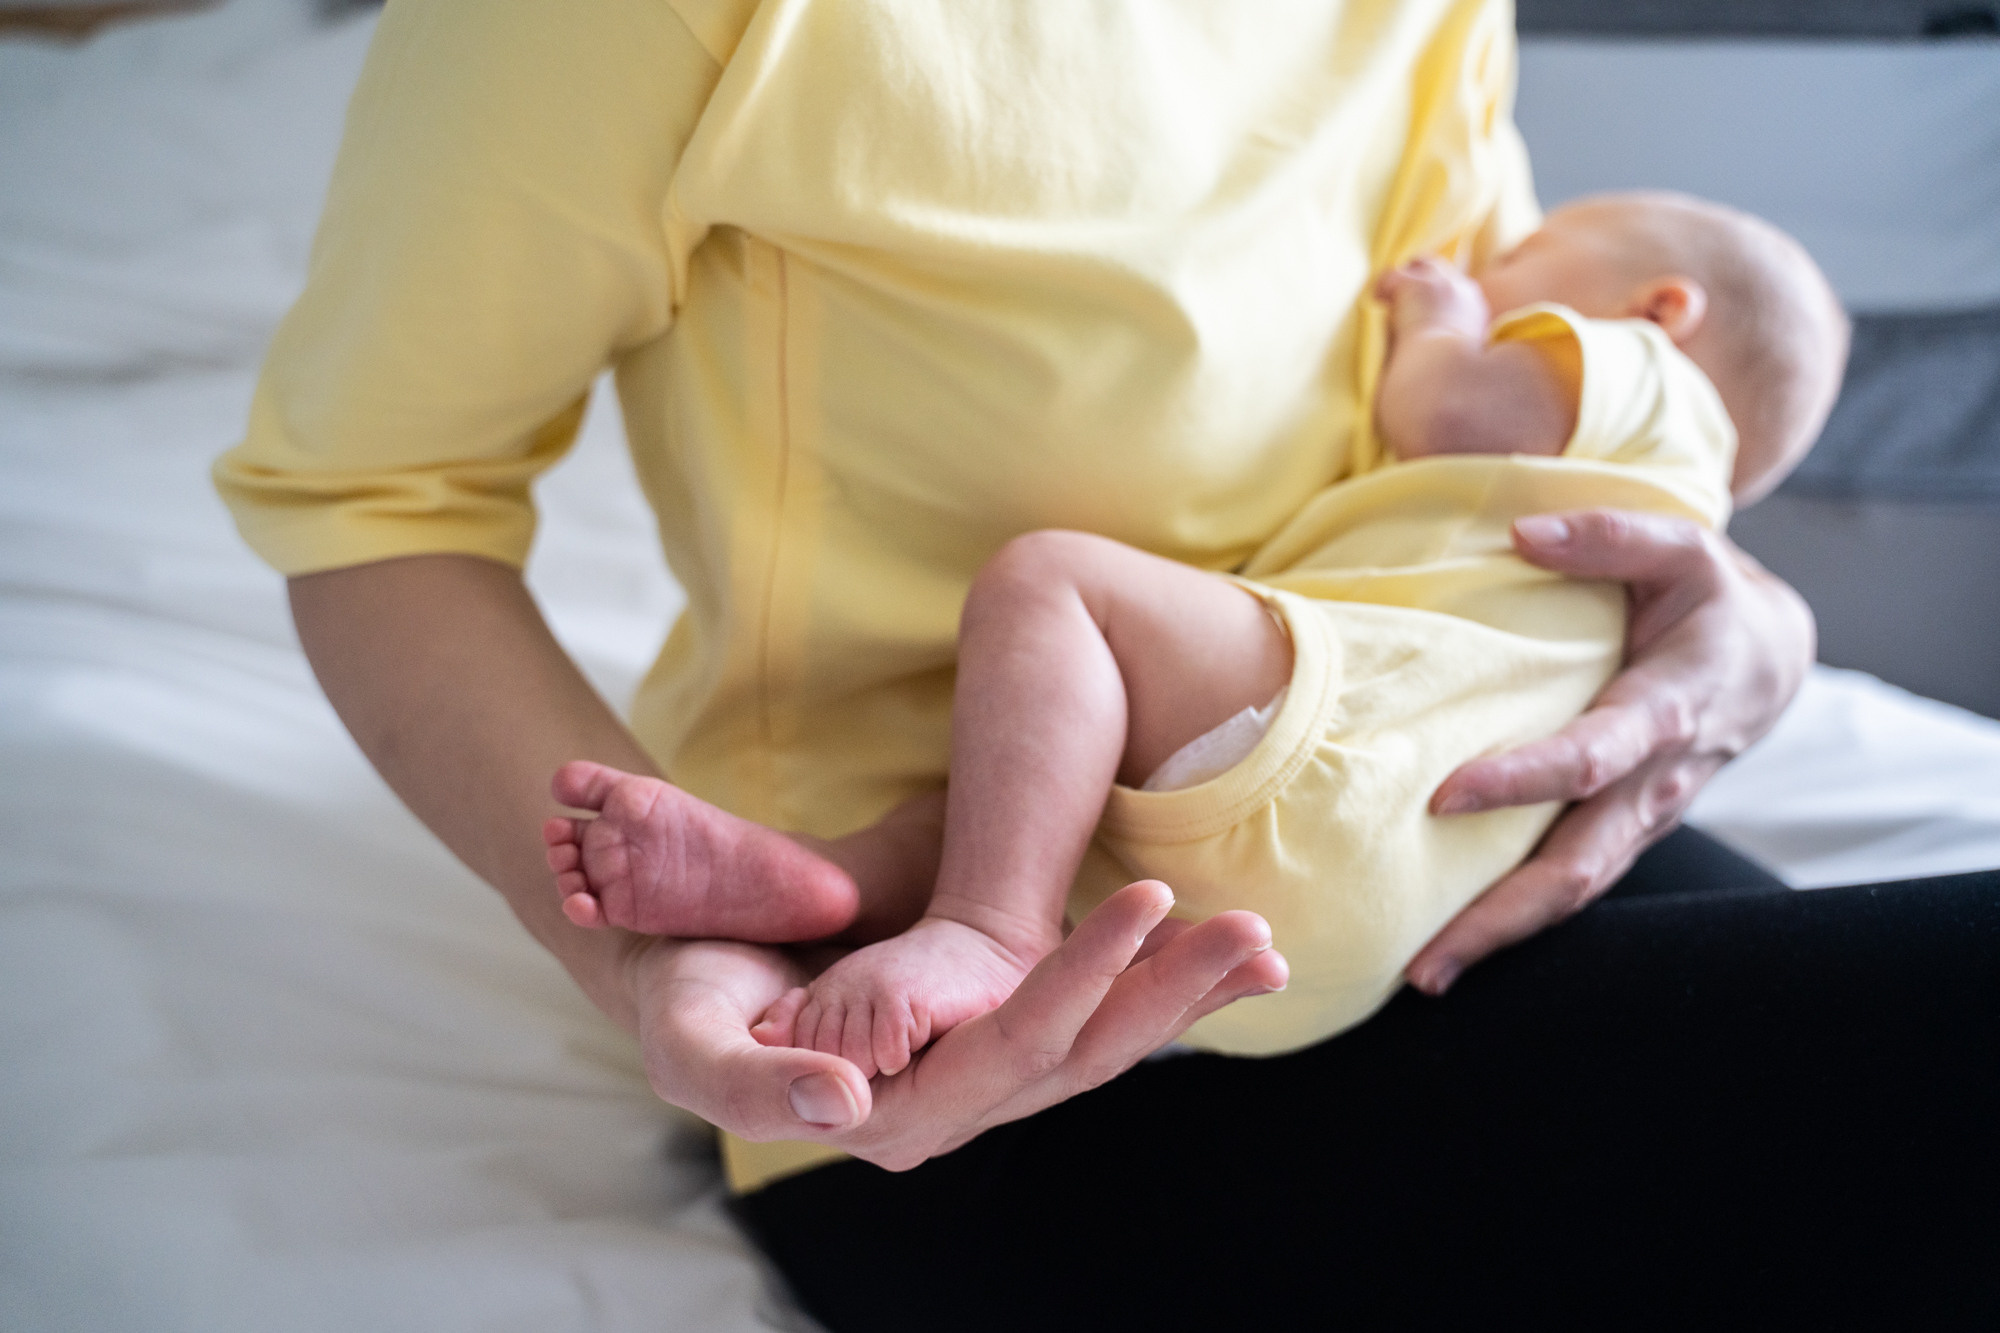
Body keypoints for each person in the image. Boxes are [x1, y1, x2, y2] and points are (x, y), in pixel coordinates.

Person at [213, 0, 1996, 1325]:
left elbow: (1467, 428)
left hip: (1411, 801)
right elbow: (373, 498)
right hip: (975, 1070)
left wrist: (1741, 607)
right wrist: (665, 968)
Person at [541, 191, 1847, 1074]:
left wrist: (1444, 327)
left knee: (1057, 593)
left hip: (1335, 744)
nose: (1496, 264)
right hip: (1354, 944)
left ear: (1664, 308)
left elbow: (1449, 409)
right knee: (1038, 782)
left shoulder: (1647, 383)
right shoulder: (1666, 553)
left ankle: (984, 931)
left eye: (1533, 252)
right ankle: (826, 881)